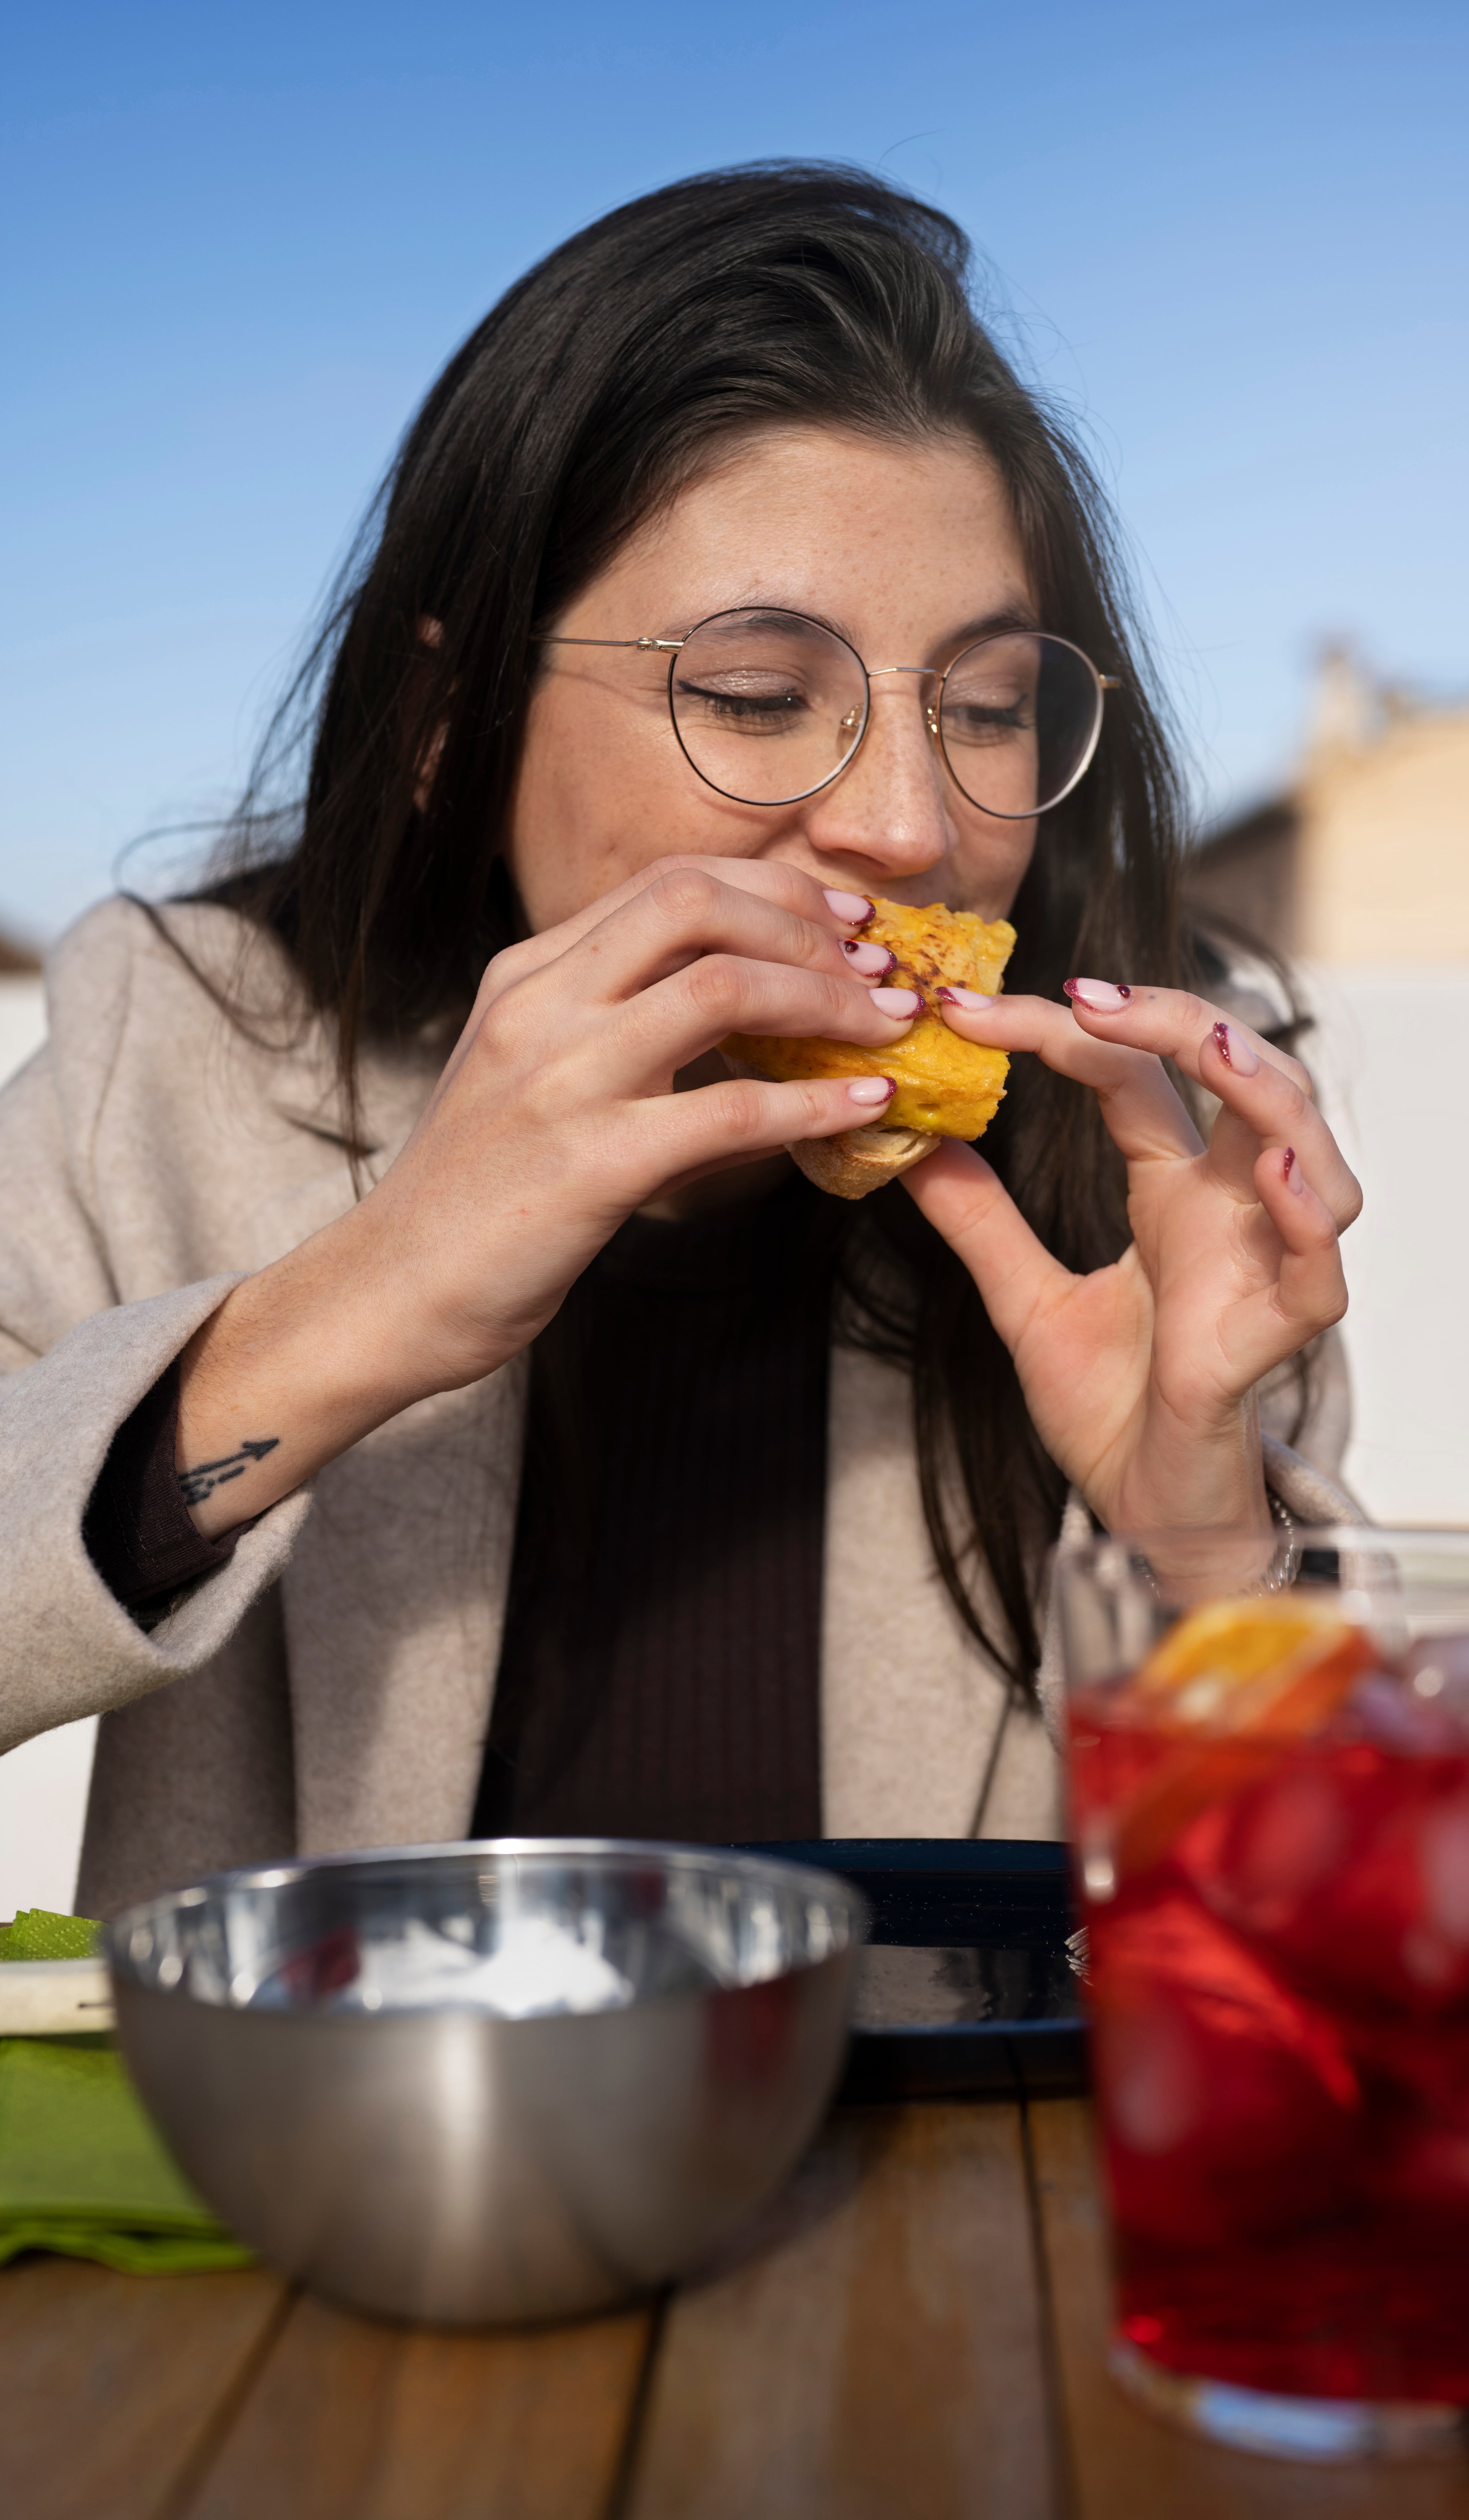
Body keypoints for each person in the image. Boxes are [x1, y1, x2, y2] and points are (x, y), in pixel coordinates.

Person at [0, 165, 1362, 1917]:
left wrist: (1200, 1545)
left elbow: (1342, 1905)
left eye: (987, 708)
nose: (901, 822)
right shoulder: (174, 1049)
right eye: (752, 696)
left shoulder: (1158, 1143)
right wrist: (351, 1309)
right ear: (443, 728)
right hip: (340, 2178)